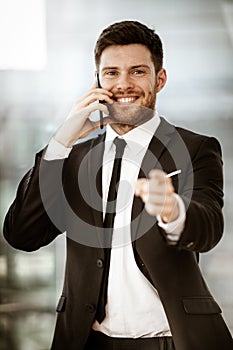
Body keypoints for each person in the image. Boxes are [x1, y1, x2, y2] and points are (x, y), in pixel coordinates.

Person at [3, 20, 233, 350]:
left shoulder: (196, 148)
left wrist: (173, 210)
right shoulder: (73, 158)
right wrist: (60, 141)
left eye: (137, 71)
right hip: (87, 341)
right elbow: (22, 234)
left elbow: (209, 225)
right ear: (97, 81)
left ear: (160, 79)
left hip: (171, 340)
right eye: (111, 73)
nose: (123, 84)